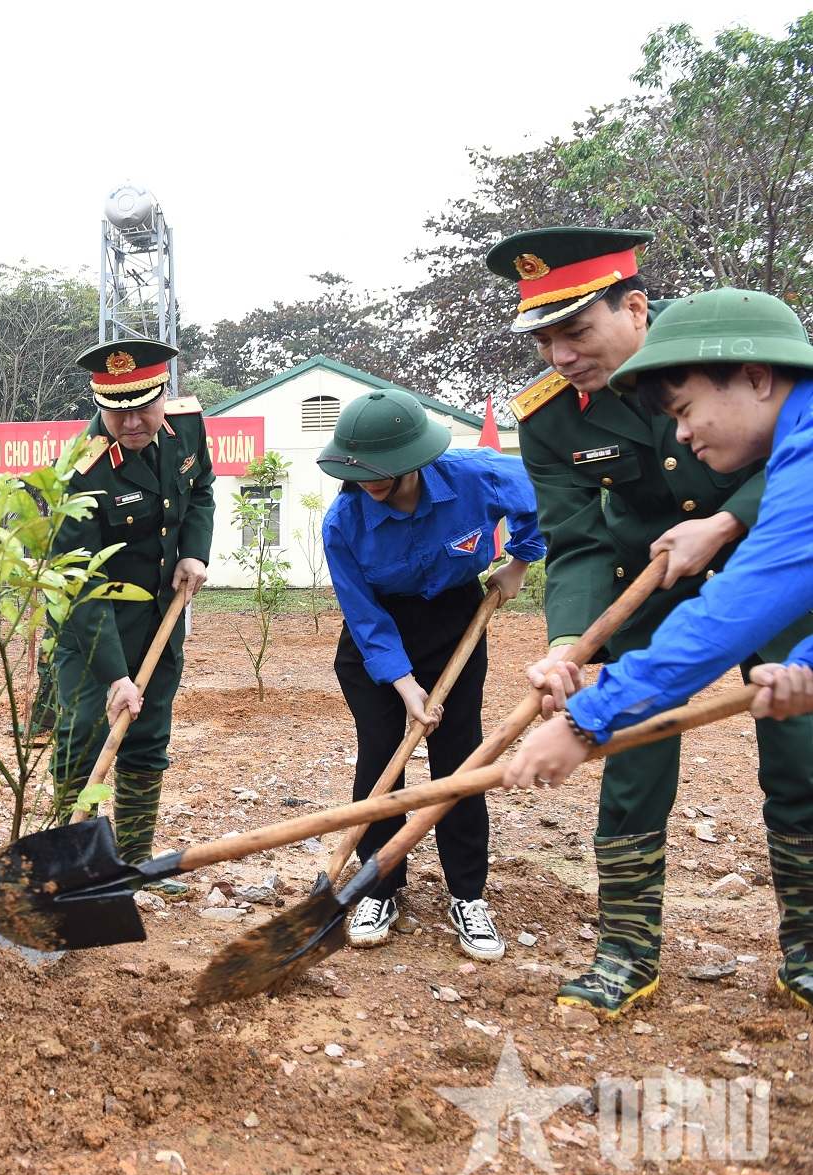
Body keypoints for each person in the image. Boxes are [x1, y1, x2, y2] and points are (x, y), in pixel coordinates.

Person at [486, 229, 813, 1016]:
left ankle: (809, 947)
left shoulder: (722, 347)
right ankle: (626, 951)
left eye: (576, 330)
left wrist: (728, 522)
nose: (560, 355)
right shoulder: (551, 417)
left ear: (635, 307)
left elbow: (791, 462)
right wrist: (570, 648)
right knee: (631, 769)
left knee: (802, 755)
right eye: (544, 340)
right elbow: (576, 540)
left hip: (775, 571)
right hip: (648, 586)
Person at [318, 389, 543, 960]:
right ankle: (378, 887)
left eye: (379, 472)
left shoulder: (476, 476)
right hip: (377, 637)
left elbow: (545, 492)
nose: (367, 483)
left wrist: (520, 561)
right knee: (381, 758)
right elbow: (363, 615)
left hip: (455, 622)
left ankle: (468, 894)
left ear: (412, 460)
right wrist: (404, 683)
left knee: (459, 760)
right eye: (356, 472)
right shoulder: (343, 521)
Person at [47, 338, 214, 896]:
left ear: (164, 394)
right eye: (117, 411)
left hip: (161, 615)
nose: (133, 422)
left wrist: (194, 551)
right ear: (99, 403)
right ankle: (77, 868)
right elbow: (78, 580)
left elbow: (202, 491)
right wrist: (115, 675)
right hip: (93, 627)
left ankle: (136, 862)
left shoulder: (187, 427)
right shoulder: (81, 468)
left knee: (147, 735)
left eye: (144, 406)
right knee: (84, 738)